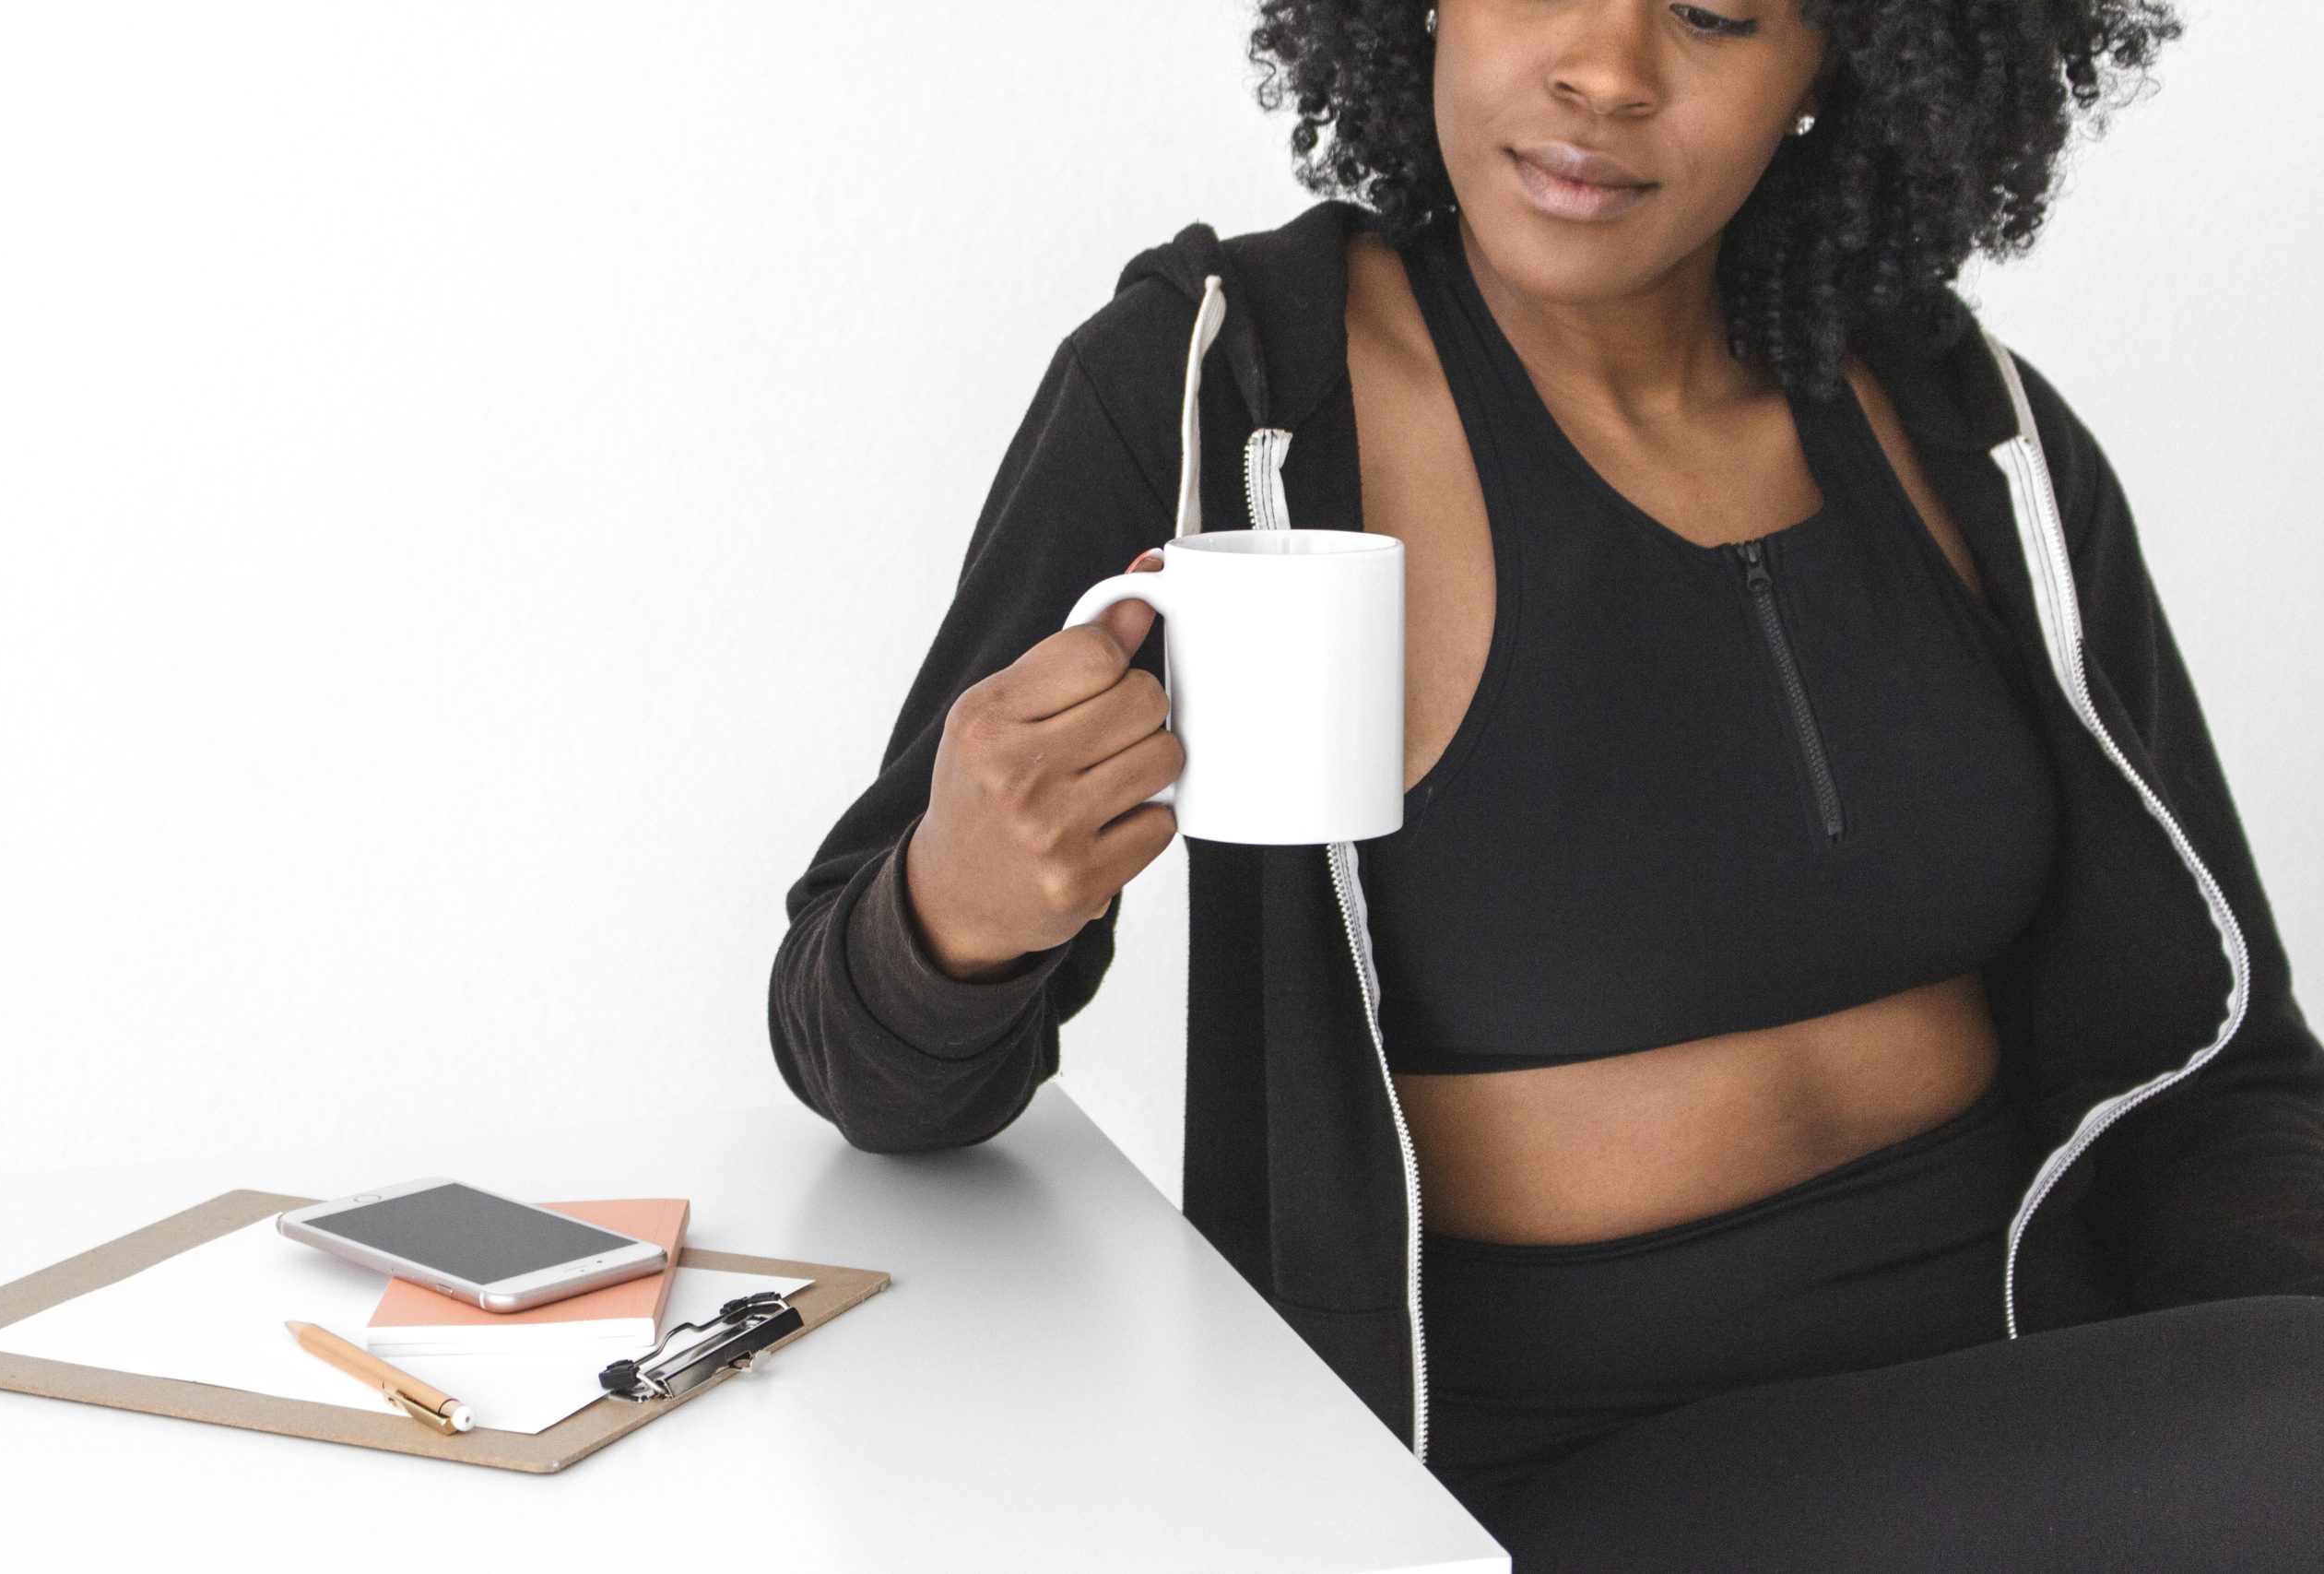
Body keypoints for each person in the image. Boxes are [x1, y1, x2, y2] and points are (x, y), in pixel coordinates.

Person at [770, 2, 2324, 1566]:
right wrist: (958, 908)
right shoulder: (1228, 394)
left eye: (1714, 13)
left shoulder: (1966, 423)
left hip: (2054, 1395)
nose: (1605, 71)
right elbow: (868, 1078)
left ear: (1842, 58)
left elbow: (2228, 1072)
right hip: (1547, 1480)